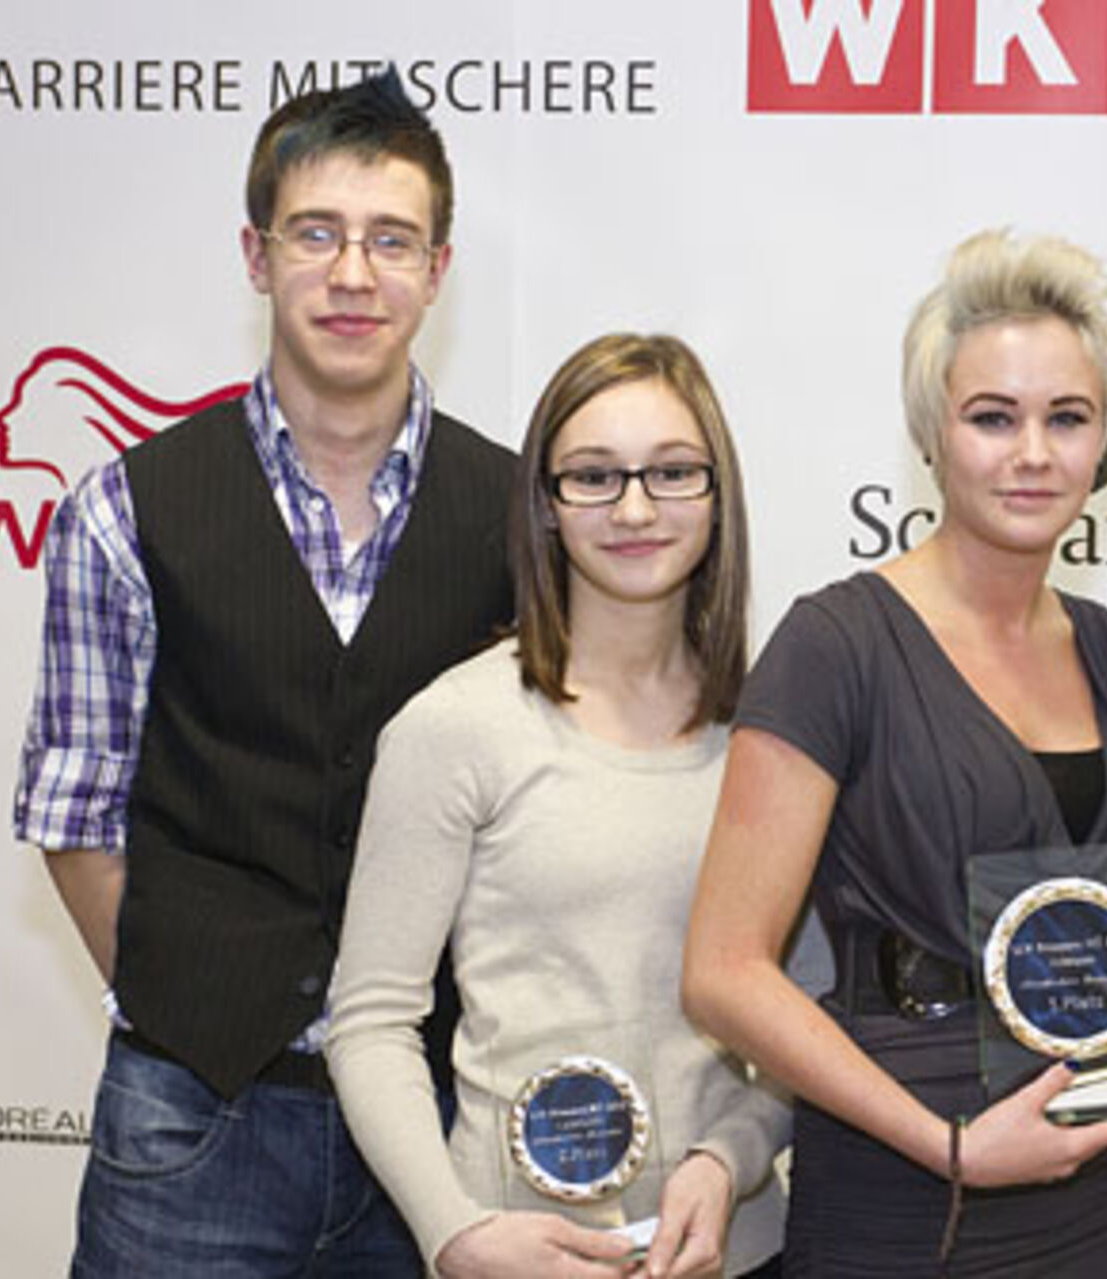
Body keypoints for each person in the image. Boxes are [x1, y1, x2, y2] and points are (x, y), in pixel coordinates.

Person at [12, 68, 515, 1274]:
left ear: (437, 270)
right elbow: (75, 813)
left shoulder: (521, 518)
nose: (353, 274)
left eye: (391, 240)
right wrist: (190, 1011)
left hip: (438, 1126)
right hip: (192, 1117)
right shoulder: (124, 510)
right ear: (257, 255)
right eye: (316, 233)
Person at [683, 229, 1107, 1278]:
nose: (1033, 452)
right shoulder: (836, 644)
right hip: (906, 1186)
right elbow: (723, 972)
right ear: (932, 433)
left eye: (1067, 417)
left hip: (1096, 1191)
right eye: (993, 417)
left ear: (1104, 440)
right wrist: (950, 1147)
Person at [326, 333, 787, 1279]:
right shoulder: (455, 727)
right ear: (544, 501)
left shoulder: (774, 732)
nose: (634, 508)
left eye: (672, 472)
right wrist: (455, 1232)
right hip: (518, 1256)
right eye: (593, 476)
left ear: (717, 495)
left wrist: (729, 1159)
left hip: (735, 1252)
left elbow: (806, 1014)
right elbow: (370, 1022)